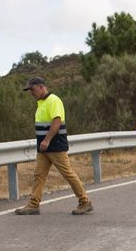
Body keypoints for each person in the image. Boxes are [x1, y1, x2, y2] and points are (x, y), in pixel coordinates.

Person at [15, 77, 93, 215]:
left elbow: (56, 121)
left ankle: (85, 202)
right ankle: (33, 205)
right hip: (44, 148)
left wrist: (47, 140)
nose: (31, 93)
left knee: (68, 174)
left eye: (32, 89)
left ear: (40, 87)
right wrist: (43, 143)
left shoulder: (53, 100)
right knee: (38, 175)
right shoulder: (41, 103)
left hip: (55, 145)